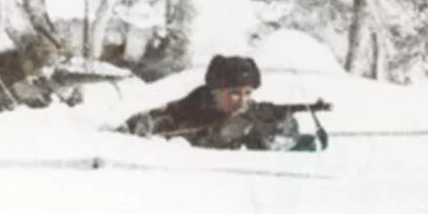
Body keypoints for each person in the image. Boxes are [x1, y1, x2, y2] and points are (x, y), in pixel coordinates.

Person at [119, 53, 314, 151]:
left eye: (248, 93)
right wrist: (224, 135)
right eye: (234, 93)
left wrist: (281, 130)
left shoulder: (252, 112)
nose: (243, 100)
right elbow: (173, 141)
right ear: (215, 92)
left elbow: (298, 144)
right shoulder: (190, 109)